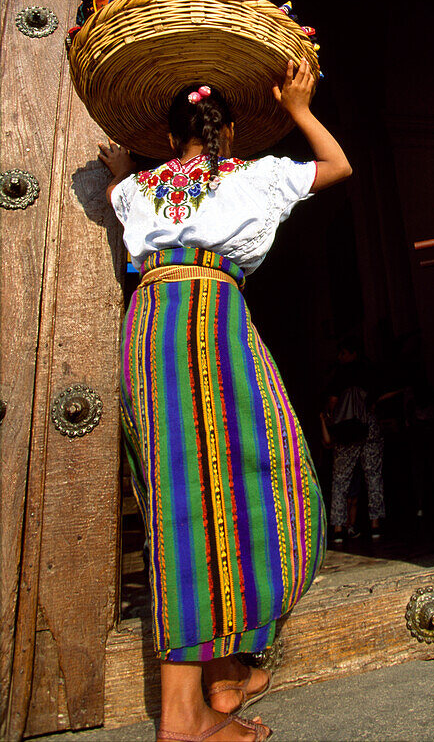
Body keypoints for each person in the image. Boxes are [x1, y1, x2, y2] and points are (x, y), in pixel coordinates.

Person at [99, 59, 351, 742]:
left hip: (151, 325)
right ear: (229, 130)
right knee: (256, 481)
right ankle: (184, 719)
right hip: (210, 318)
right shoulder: (254, 174)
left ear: (169, 134)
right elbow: (337, 166)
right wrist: (299, 109)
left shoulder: (137, 188)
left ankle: (224, 672)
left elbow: (125, 187)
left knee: (184, 491)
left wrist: (124, 160)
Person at [324, 338, 386, 544]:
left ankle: (339, 527)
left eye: (343, 353)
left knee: (340, 480)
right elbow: (377, 400)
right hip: (369, 427)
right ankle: (375, 524)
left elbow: (332, 404)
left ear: (352, 353)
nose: (340, 357)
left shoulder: (338, 375)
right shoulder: (370, 372)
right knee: (373, 476)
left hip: (346, 431)